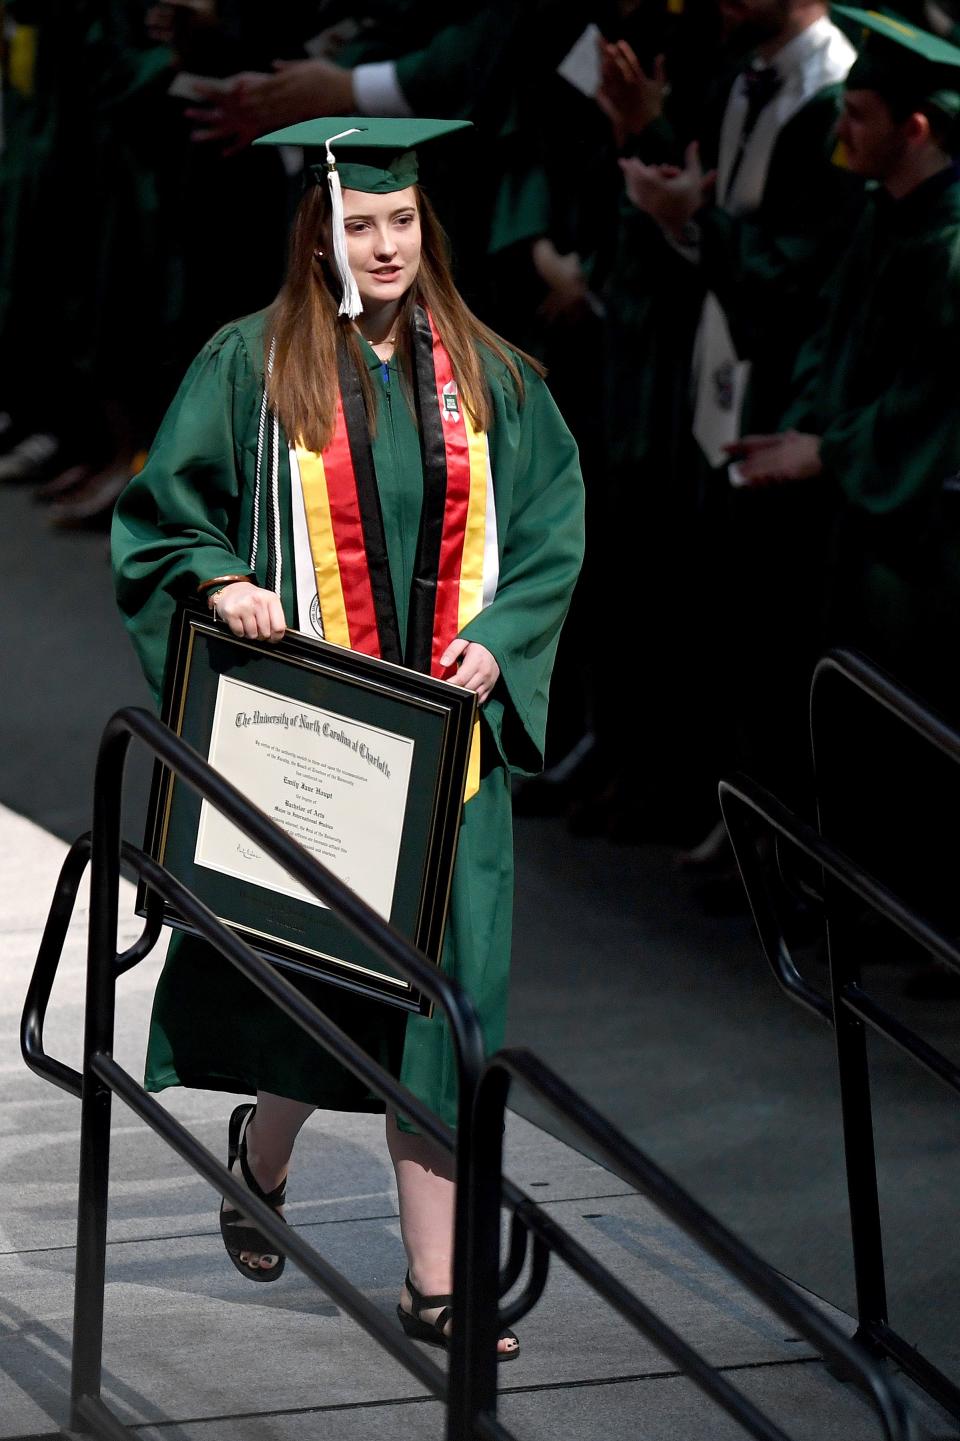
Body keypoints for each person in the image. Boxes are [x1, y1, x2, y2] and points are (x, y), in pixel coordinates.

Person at [111, 116, 585, 1359]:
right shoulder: (251, 367)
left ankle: (439, 1287)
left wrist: (507, 631)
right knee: (321, 991)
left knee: (443, 1012)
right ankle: (258, 1158)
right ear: (318, 236)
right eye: (362, 223)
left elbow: (549, 525)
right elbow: (163, 519)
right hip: (316, 754)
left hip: (450, 765)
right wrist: (219, 583)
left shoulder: (491, 375)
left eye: (404, 221)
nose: (386, 246)